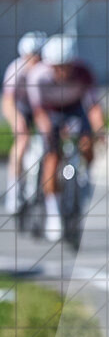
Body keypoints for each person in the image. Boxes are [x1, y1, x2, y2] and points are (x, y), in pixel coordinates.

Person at [25, 34, 105, 242]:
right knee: (52, 157)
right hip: (50, 113)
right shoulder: (38, 77)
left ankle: (84, 174)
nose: (61, 72)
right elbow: (39, 113)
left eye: (65, 66)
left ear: (72, 63)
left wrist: (100, 129)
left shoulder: (83, 73)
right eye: (56, 67)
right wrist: (51, 131)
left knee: (88, 142)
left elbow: (93, 105)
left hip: (75, 109)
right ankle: (54, 214)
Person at [2, 31, 46, 213]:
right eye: (30, 57)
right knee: (22, 139)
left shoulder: (47, 70)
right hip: (21, 107)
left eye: (38, 57)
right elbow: (7, 102)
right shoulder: (16, 69)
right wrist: (17, 121)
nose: (34, 62)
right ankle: (14, 192)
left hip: (42, 107)